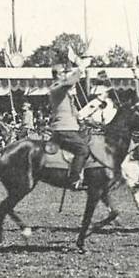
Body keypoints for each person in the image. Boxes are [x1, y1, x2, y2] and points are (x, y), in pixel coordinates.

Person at [49, 62, 90, 190]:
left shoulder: (63, 89)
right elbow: (70, 82)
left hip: (70, 126)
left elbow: (72, 109)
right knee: (83, 150)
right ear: (57, 75)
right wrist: (80, 69)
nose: (66, 75)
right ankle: (74, 180)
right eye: (63, 73)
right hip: (64, 128)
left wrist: (83, 119)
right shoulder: (56, 87)